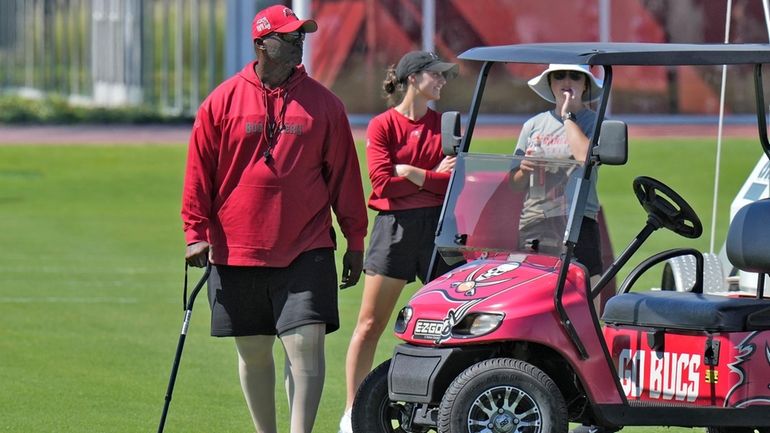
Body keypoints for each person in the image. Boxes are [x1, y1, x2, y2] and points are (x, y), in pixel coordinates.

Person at [181, 5, 368, 433]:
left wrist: (355, 240)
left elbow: (344, 176)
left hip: (307, 247)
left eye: (301, 35)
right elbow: (198, 174)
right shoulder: (221, 101)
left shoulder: (325, 105)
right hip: (236, 248)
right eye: (288, 37)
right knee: (254, 352)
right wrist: (195, 232)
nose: (298, 42)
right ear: (261, 44)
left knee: (305, 346)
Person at [338, 51, 459, 433]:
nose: (442, 81)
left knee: (454, 322)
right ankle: (352, 411)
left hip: (440, 228)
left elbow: (456, 180)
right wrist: (429, 176)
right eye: (435, 74)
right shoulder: (382, 126)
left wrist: (409, 172)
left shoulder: (447, 124)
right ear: (412, 79)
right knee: (371, 323)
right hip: (394, 230)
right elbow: (380, 183)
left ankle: (446, 404)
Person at [511, 65, 616, 433]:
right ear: (550, 84)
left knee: (582, 315)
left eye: (575, 79)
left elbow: (587, 158)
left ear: (586, 86)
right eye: (559, 79)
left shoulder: (591, 119)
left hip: (577, 224)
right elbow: (513, 181)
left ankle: (591, 411)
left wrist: (570, 117)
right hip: (535, 223)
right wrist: (523, 168)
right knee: (531, 315)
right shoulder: (533, 125)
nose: (566, 85)